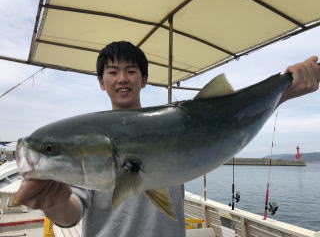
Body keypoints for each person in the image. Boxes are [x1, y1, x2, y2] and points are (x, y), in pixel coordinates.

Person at [16, 41, 320, 237]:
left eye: (131, 71)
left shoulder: (178, 122)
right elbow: (71, 215)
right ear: (101, 82)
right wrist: (53, 203)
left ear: (144, 79)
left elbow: (233, 117)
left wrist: (289, 83)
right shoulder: (86, 147)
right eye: (112, 72)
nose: (122, 78)